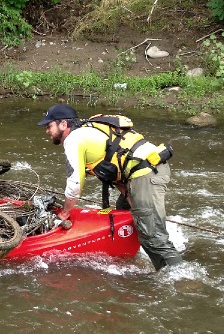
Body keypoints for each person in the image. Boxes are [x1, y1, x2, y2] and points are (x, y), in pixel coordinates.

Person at [37, 103, 183, 271]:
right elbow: (117, 166)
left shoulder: (73, 139)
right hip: (146, 170)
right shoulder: (89, 130)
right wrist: (132, 201)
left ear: (63, 124)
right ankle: (130, 257)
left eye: (49, 126)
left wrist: (65, 213)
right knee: (125, 213)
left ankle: (181, 279)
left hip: (145, 173)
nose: (47, 131)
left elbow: (75, 183)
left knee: (153, 237)